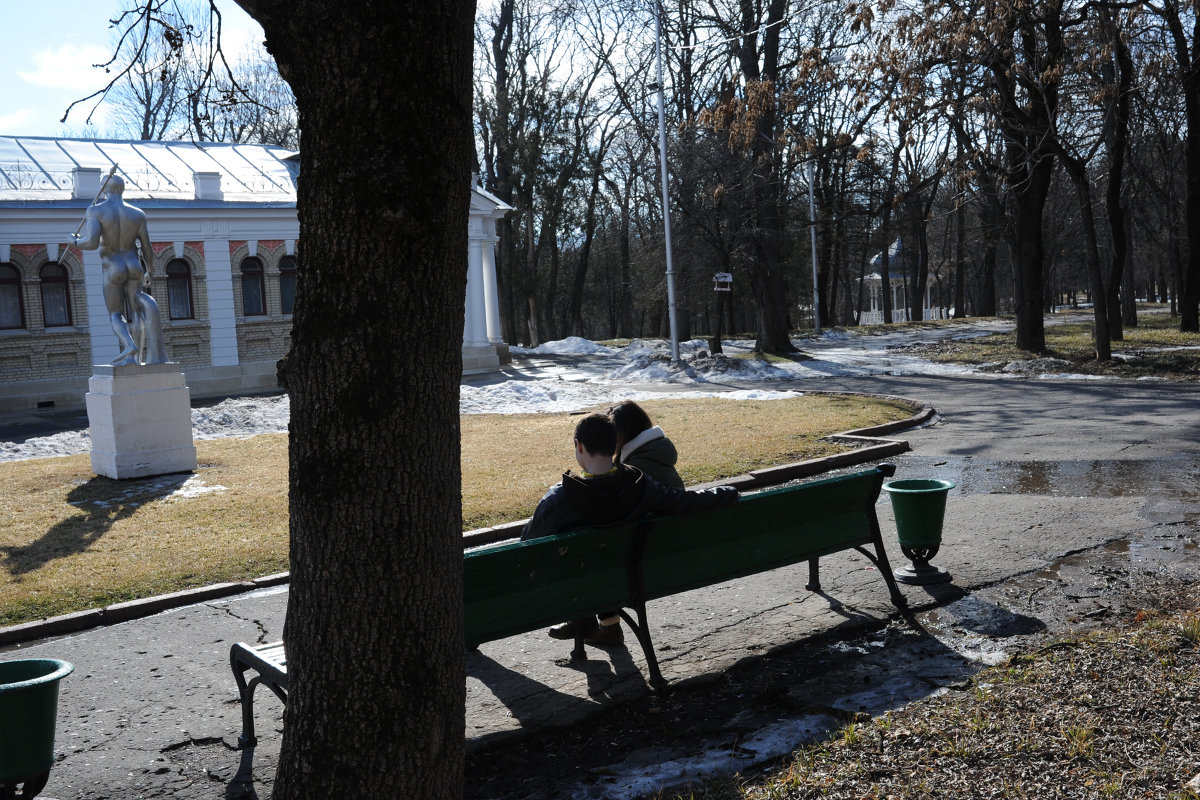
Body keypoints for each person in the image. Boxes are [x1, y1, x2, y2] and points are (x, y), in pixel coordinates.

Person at [521, 412, 738, 645]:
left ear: (579, 446)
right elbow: (685, 501)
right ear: (615, 445)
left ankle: (584, 621)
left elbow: (526, 547)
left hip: (577, 590)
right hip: (630, 581)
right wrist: (727, 492)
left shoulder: (560, 498)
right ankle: (598, 623)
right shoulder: (641, 484)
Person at [73, 174, 167, 366]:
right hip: (134, 265)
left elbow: (90, 243)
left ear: (104, 189)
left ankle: (129, 348)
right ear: (122, 189)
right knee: (137, 313)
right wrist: (150, 270)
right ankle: (137, 357)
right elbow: (147, 247)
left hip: (112, 266)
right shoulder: (137, 213)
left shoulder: (95, 211)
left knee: (115, 314)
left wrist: (74, 241)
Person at [608, 400, 684, 489]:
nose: (609, 438)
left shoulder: (636, 467)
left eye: (612, 432)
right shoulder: (650, 451)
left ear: (626, 431)